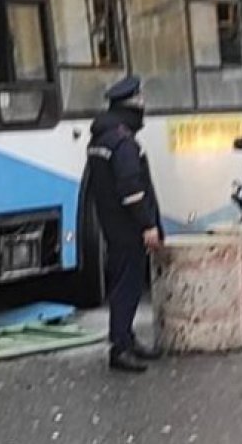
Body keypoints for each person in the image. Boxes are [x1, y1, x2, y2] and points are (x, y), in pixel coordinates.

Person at [86, 76, 163, 373]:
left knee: (123, 282)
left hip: (111, 224)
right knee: (127, 287)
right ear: (131, 105)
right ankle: (120, 347)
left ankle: (128, 340)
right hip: (127, 227)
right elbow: (131, 188)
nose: (143, 106)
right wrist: (147, 225)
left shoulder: (101, 138)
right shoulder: (123, 142)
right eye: (140, 101)